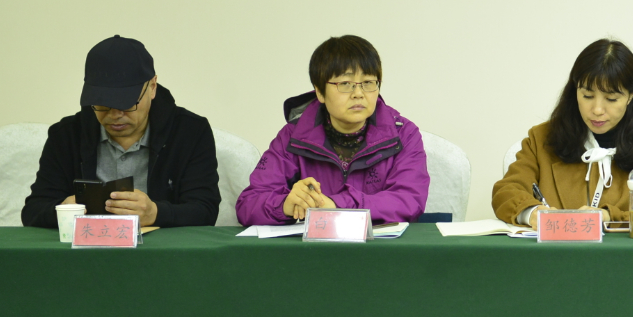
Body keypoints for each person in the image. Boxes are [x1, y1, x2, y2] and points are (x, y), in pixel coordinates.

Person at [22, 35, 221, 229]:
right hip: (86, 248)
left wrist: (156, 213)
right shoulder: (66, 135)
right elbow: (33, 210)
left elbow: (205, 210)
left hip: (163, 249)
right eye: (102, 104)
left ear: (152, 87)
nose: (115, 115)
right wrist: (61, 210)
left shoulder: (190, 132)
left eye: (127, 104)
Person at [236, 35, 429, 225]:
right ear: (320, 92)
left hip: (379, 245)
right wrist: (286, 205)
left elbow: (408, 200)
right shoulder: (292, 137)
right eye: (345, 84)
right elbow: (249, 204)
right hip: (316, 245)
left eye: (368, 83)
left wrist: (336, 205)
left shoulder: (404, 135)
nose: (358, 93)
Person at [493, 39, 633, 226]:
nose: (597, 110)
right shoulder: (541, 139)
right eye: (587, 96)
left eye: (611, 99)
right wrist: (531, 212)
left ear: (632, 94)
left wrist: (609, 218)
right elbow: (507, 191)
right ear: (575, 90)